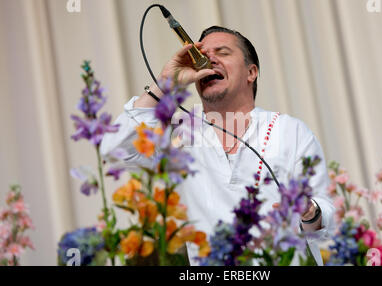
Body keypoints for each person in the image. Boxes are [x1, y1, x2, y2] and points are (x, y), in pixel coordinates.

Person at [100, 26, 335, 265]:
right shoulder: (180, 131)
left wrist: (309, 210)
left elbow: (323, 219)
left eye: (222, 52)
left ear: (251, 72)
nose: (208, 59)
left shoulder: (290, 130)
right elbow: (115, 151)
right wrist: (165, 84)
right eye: (201, 55)